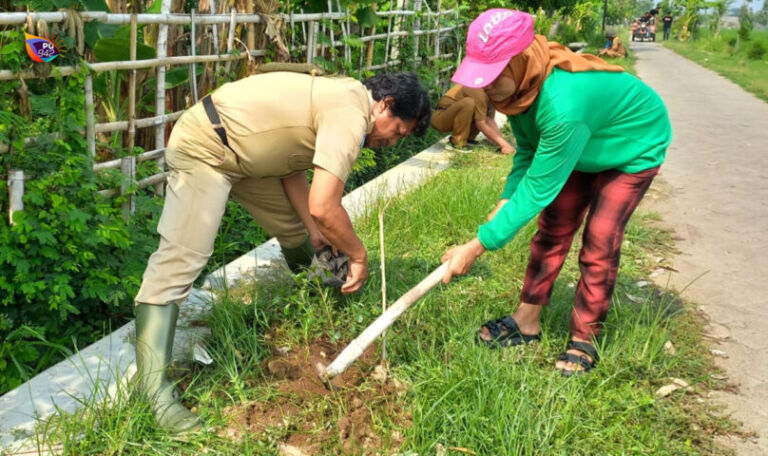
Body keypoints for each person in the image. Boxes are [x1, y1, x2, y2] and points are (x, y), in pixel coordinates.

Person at [133, 70, 431, 432]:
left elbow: (290, 167)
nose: (392, 142)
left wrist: (312, 228)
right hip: (207, 146)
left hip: (245, 157)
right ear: (384, 105)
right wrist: (358, 255)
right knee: (184, 257)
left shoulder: (342, 100)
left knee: (295, 227)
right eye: (397, 131)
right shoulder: (351, 113)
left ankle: (321, 297)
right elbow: (324, 205)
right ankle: (152, 393)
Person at [441, 9, 671, 376]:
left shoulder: (562, 102)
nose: (485, 89)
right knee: (554, 228)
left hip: (633, 144)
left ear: (519, 61)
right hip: (583, 144)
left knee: (599, 238)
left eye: (492, 77)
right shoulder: (521, 89)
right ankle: (527, 321)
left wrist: (477, 245)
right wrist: (505, 200)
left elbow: (537, 188)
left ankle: (585, 336)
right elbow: (529, 153)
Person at [430, 84, 515, 154]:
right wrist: (504, 145)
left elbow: (490, 120)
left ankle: (468, 139)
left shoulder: (490, 96)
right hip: (441, 118)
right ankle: (457, 142)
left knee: (480, 113)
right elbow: (481, 124)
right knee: (469, 103)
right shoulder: (477, 90)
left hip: (455, 114)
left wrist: (502, 144)